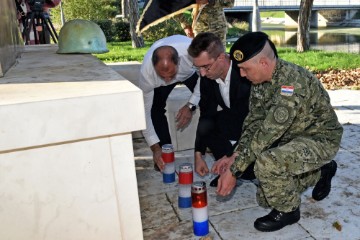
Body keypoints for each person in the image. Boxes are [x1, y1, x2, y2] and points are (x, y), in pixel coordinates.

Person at [212, 31, 343, 232]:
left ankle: (289, 211)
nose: (242, 74)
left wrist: (234, 170)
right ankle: (321, 172)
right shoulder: (260, 81)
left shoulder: (292, 83)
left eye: (245, 69)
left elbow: (268, 133)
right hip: (292, 138)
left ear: (263, 63)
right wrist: (235, 154)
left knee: (267, 163)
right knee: (265, 197)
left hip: (320, 139)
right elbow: (254, 123)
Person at [187, 32, 255, 187]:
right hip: (236, 120)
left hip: (259, 126)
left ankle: (239, 170)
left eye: (206, 66)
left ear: (222, 58)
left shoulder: (245, 74)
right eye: (198, 68)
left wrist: (234, 157)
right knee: (209, 125)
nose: (202, 73)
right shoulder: (207, 77)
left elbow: (259, 121)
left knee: (251, 172)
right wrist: (198, 155)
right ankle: (227, 169)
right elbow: (206, 115)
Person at [139, 35, 200, 171]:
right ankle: (164, 153)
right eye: (162, 75)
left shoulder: (191, 51)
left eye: (171, 75)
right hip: (159, 81)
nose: (167, 80)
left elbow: (205, 77)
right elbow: (144, 114)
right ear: (154, 67)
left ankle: (208, 146)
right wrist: (154, 147)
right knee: (156, 110)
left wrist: (191, 105)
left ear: (178, 62)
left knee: (209, 99)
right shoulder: (147, 74)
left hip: (188, 74)